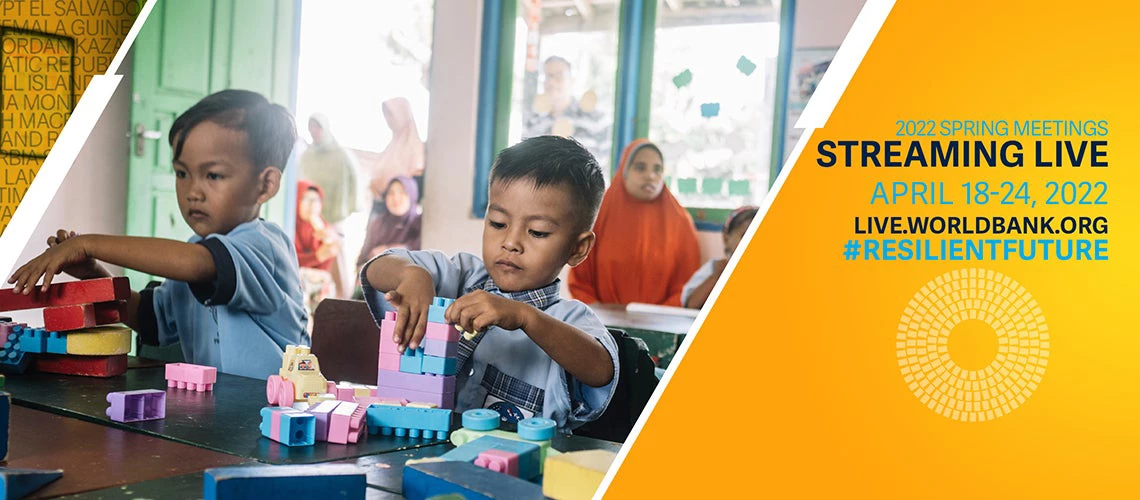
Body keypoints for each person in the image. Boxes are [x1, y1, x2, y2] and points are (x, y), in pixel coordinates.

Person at [9, 90, 307, 379]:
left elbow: (196, 264)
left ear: (265, 185)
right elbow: (150, 320)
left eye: (213, 175)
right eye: (181, 173)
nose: (193, 191)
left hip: (280, 414)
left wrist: (86, 243)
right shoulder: (195, 252)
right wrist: (93, 275)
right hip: (217, 414)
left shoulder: (265, 245)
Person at [360, 136, 618, 432]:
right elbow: (377, 269)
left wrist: (525, 317)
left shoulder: (569, 321)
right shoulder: (460, 276)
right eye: (497, 223)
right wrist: (411, 275)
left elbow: (601, 369)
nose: (510, 242)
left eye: (537, 232)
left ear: (578, 248)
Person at [568, 139, 701, 306]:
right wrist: (600, 315)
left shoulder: (680, 222)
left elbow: (687, 287)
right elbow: (580, 281)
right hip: (601, 323)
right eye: (640, 167)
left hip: (661, 325)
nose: (650, 176)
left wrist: (655, 319)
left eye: (657, 169)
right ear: (624, 170)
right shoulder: (598, 216)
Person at [299, 113, 359, 299]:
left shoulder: (341, 156)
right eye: (311, 127)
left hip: (333, 218)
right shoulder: (307, 156)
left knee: (336, 263)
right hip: (306, 220)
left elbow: (353, 186)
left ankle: (343, 303)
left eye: (318, 127)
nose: (314, 131)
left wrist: (342, 212)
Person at [522, 56, 610, 166]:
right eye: (547, 76)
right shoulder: (533, 121)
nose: (552, 82)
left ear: (572, 80)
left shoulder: (597, 119)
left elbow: (606, 162)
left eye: (559, 76)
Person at [682, 205, 758, 309]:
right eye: (745, 236)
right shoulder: (715, 268)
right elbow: (691, 305)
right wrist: (716, 276)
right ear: (726, 239)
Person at [295, 180, 341, 323]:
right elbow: (289, 260)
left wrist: (330, 244)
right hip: (296, 284)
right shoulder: (289, 224)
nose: (312, 205)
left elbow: (324, 268)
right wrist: (317, 256)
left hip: (317, 286)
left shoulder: (325, 229)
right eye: (306, 199)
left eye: (316, 200)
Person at [357, 175, 422, 268]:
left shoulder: (421, 224)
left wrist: (391, 250)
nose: (395, 198)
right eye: (391, 193)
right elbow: (362, 261)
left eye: (402, 192)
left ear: (412, 195)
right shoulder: (378, 223)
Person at [371, 98, 425, 201]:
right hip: (385, 204)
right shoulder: (391, 147)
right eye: (387, 115)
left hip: (403, 206)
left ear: (402, 114)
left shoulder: (416, 147)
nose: (388, 119)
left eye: (391, 115)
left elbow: (414, 182)